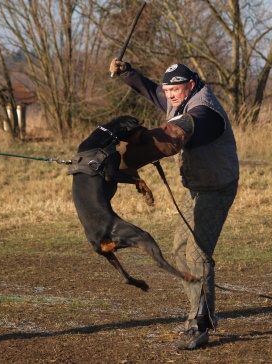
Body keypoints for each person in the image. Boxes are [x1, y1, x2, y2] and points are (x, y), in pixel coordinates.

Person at [110, 58, 240, 350]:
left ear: (190, 85)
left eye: (175, 88)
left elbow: (175, 135)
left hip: (216, 188)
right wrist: (127, 72)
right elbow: (150, 89)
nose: (169, 94)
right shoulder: (177, 97)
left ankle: (201, 322)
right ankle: (198, 310)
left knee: (197, 253)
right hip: (195, 187)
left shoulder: (205, 111)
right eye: (168, 89)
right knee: (180, 250)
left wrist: (125, 156)